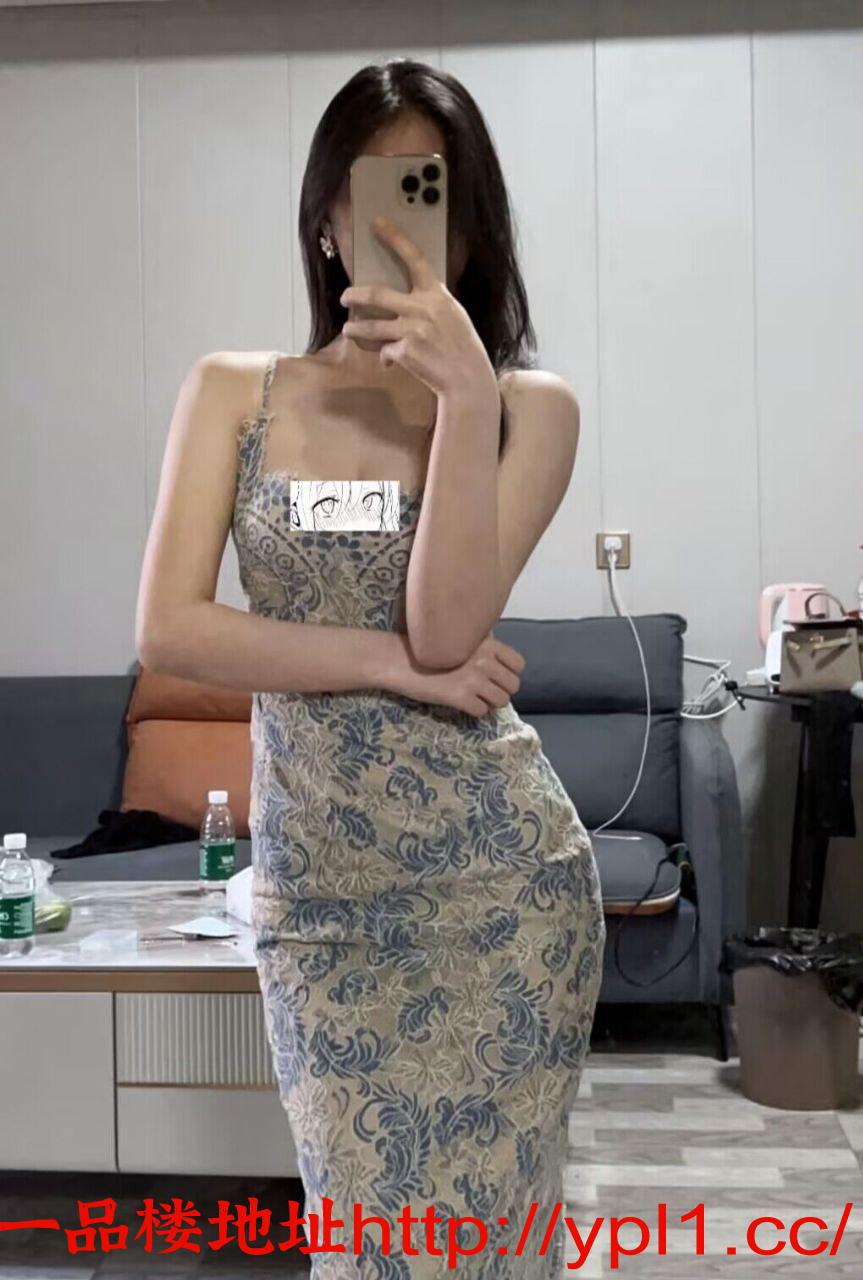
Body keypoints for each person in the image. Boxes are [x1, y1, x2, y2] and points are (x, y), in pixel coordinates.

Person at [137, 56, 605, 1280]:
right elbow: (172, 630)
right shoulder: (235, 391)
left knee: (492, 1249)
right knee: (364, 1248)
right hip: (324, 903)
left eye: (431, 192)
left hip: (500, 893)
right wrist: (387, 665)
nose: (401, 225)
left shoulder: (528, 408)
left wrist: (462, 402)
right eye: (377, 188)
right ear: (325, 218)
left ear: (472, 226)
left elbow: (450, 628)